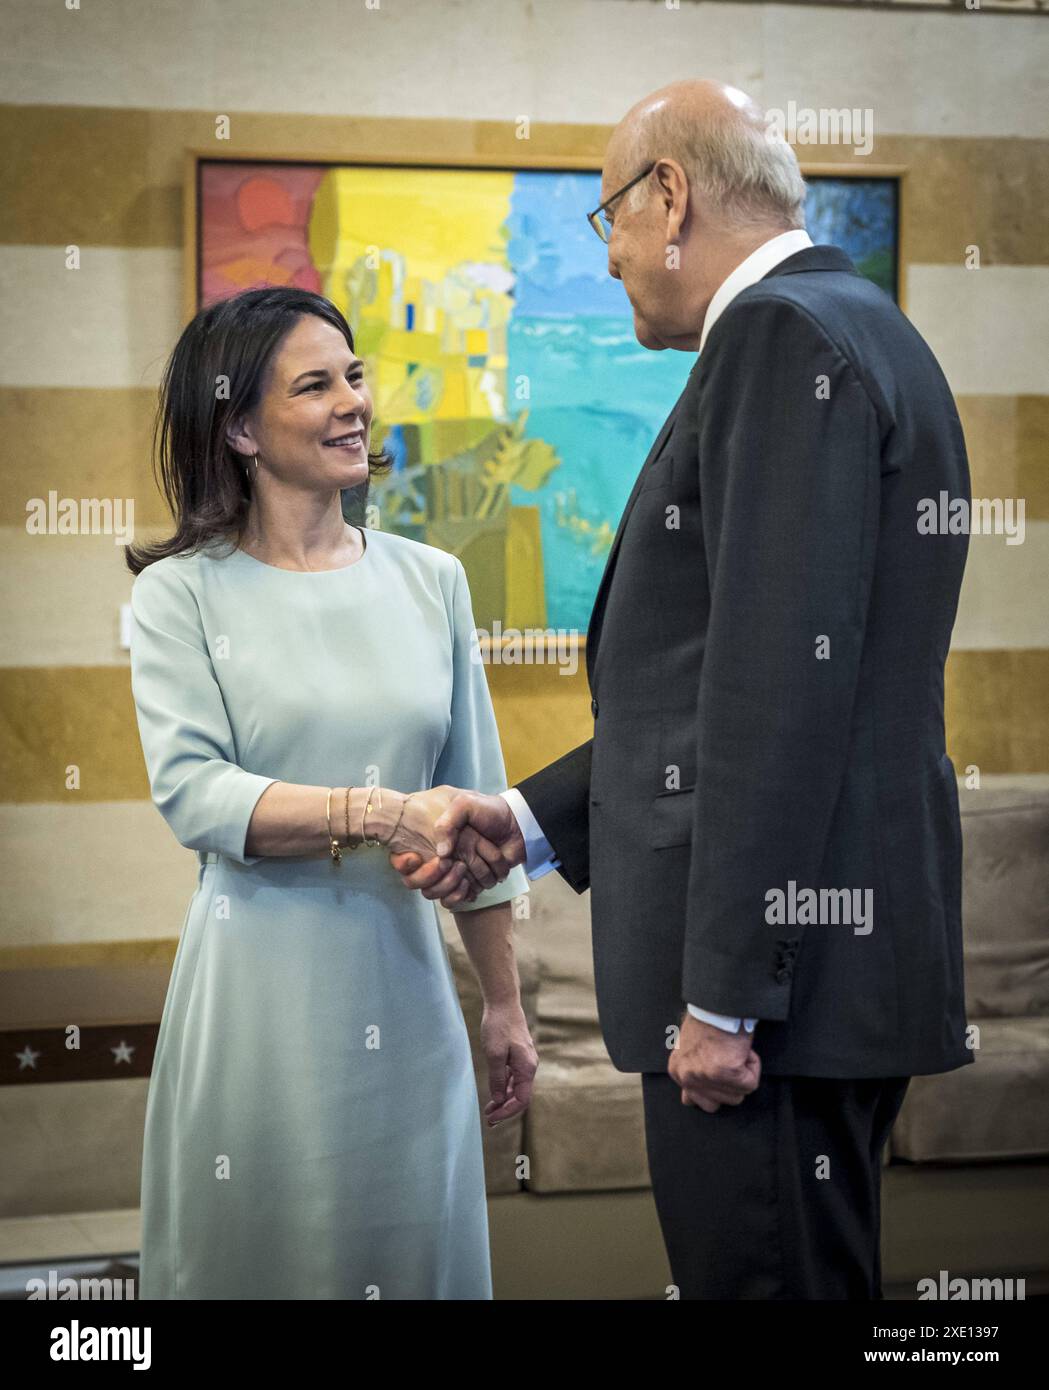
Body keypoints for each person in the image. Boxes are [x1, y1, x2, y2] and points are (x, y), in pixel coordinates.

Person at [392, 78, 973, 1299]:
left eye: (605, 215)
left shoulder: (777, 337)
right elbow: (737, 688)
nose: (606, 259)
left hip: (772, 1005)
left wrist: (722, 997)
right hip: (824, 977)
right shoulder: (864, 325)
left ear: (669, 198)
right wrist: (531, 823)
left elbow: (776, 697)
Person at [126, 285, 534, 1299]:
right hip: (256, 999)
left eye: (355, 375)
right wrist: (379, 811)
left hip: (403, 994)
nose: (353, 400)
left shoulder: (431, 580)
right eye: (316, 384)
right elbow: (196, 795)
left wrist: (504, 1005)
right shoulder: (178, 593)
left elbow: (474, 806)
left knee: (409, 1260)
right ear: (240, 427)